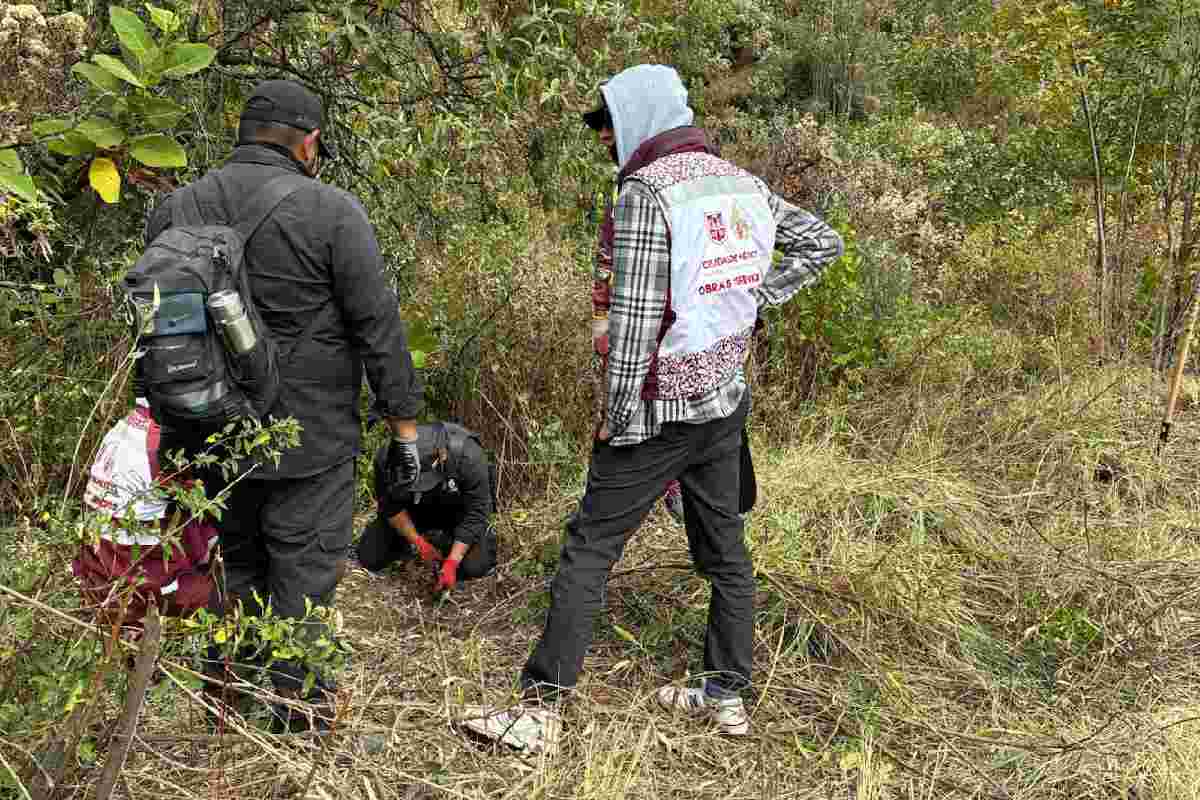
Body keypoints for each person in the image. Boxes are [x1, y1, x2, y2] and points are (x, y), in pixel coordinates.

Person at [467, 64, 843, 749]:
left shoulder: (648, 193)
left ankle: (540, 711)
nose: (603, 137)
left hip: (655, 414)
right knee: (724, 552)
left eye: (607, 122)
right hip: (723, 405)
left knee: (588, 550)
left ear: (639, 116)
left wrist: (615, 417)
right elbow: (821, 242)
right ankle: (725, 695)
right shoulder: (739, 183)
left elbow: (634, 326)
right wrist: (751, 300)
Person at [142, 80, 424, 728]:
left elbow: (157, 326)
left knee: (230, 566)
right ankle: (298, 725)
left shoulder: (177, 208)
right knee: (304, 576)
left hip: (208, 432)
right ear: (309, 142)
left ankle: (225, 711)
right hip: (309, 441)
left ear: (242, 134)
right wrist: (403, 429)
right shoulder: (332, 212)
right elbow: (377, 328)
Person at [73, 398, 217, 629]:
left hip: (101, 560)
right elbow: (207, 497)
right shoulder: (165, 439)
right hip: (139, 564)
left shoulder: (126, 425)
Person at [357, 422, 497, 589]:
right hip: (413, 512)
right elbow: (390, 507)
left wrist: (452, 561)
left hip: (457, 513)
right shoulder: (386, 458)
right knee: (370, 556)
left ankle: (448, 544)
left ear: (442, 456)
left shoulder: (468, 455)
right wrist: (419, 543)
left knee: (475, 567)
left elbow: (477, 512)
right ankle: (414, 546)